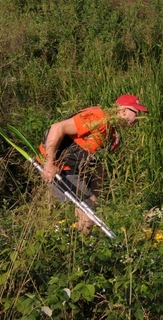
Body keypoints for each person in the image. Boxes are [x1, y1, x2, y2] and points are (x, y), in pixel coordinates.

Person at [37, 93, 148, 234]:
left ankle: (75, 240)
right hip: (58, 165)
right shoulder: (98, 118)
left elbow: (98, 165)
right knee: (87, 209)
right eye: (136, 113)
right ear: (123, 110)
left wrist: (96, 194)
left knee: (91, 205)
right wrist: (49, 163)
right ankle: (79, 245)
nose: (137, 119)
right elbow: (57, 128)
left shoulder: (114, 136)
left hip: (75, 169)